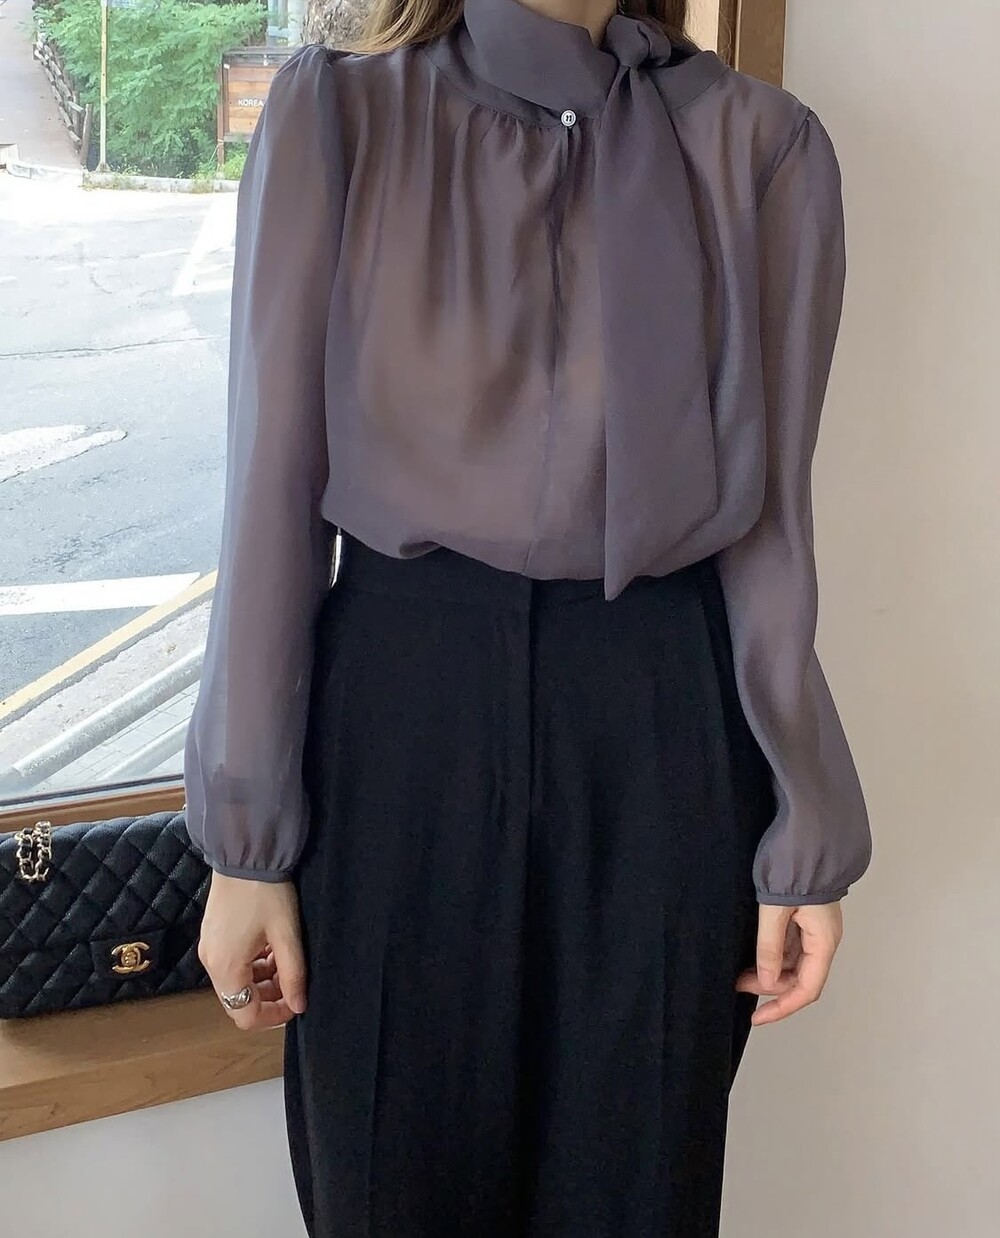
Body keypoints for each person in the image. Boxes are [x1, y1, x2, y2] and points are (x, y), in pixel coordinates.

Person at [182, 1, 873, 1234]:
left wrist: (804, 820)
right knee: (391, 1185)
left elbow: (770, 518)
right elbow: (270, 485)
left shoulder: (759, 144)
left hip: (663, 714)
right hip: (400, 712)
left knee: (637, 1188)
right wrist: (246, 839)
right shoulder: (342, 113)